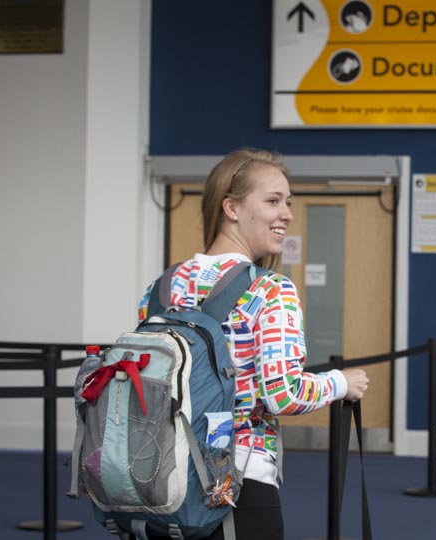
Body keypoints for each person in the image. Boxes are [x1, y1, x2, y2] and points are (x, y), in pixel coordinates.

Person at [138, 148, 370, 540]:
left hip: (160, 480)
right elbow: (283, 393)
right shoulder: (269, 289)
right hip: (237, 484)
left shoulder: (162, 287)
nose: (287, 214)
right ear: (231, 207)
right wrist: (343, 383)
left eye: (289, 202)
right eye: (273, 201)